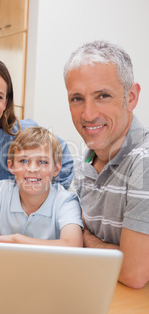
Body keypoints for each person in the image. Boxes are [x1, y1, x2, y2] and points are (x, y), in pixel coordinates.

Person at [0, 56, 74, 238]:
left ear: (6, 102)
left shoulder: (24, 134)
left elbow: (62, 157)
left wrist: (44, 197)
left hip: (20, 251)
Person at [64, 40, 149, 289]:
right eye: (77, 98)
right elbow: (66, 231)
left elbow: (133, 273)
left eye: (103, 96)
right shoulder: (87, 157)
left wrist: (86, 239)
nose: (88, 114)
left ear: (131, 97)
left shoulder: (144, 163)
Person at [0, 127, 83, 247]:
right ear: (11, 166)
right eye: (23, 161)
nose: (32, 169)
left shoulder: (66, 201)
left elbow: (72, 244)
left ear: (56, 168)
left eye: (43, 162)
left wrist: (15, 240)